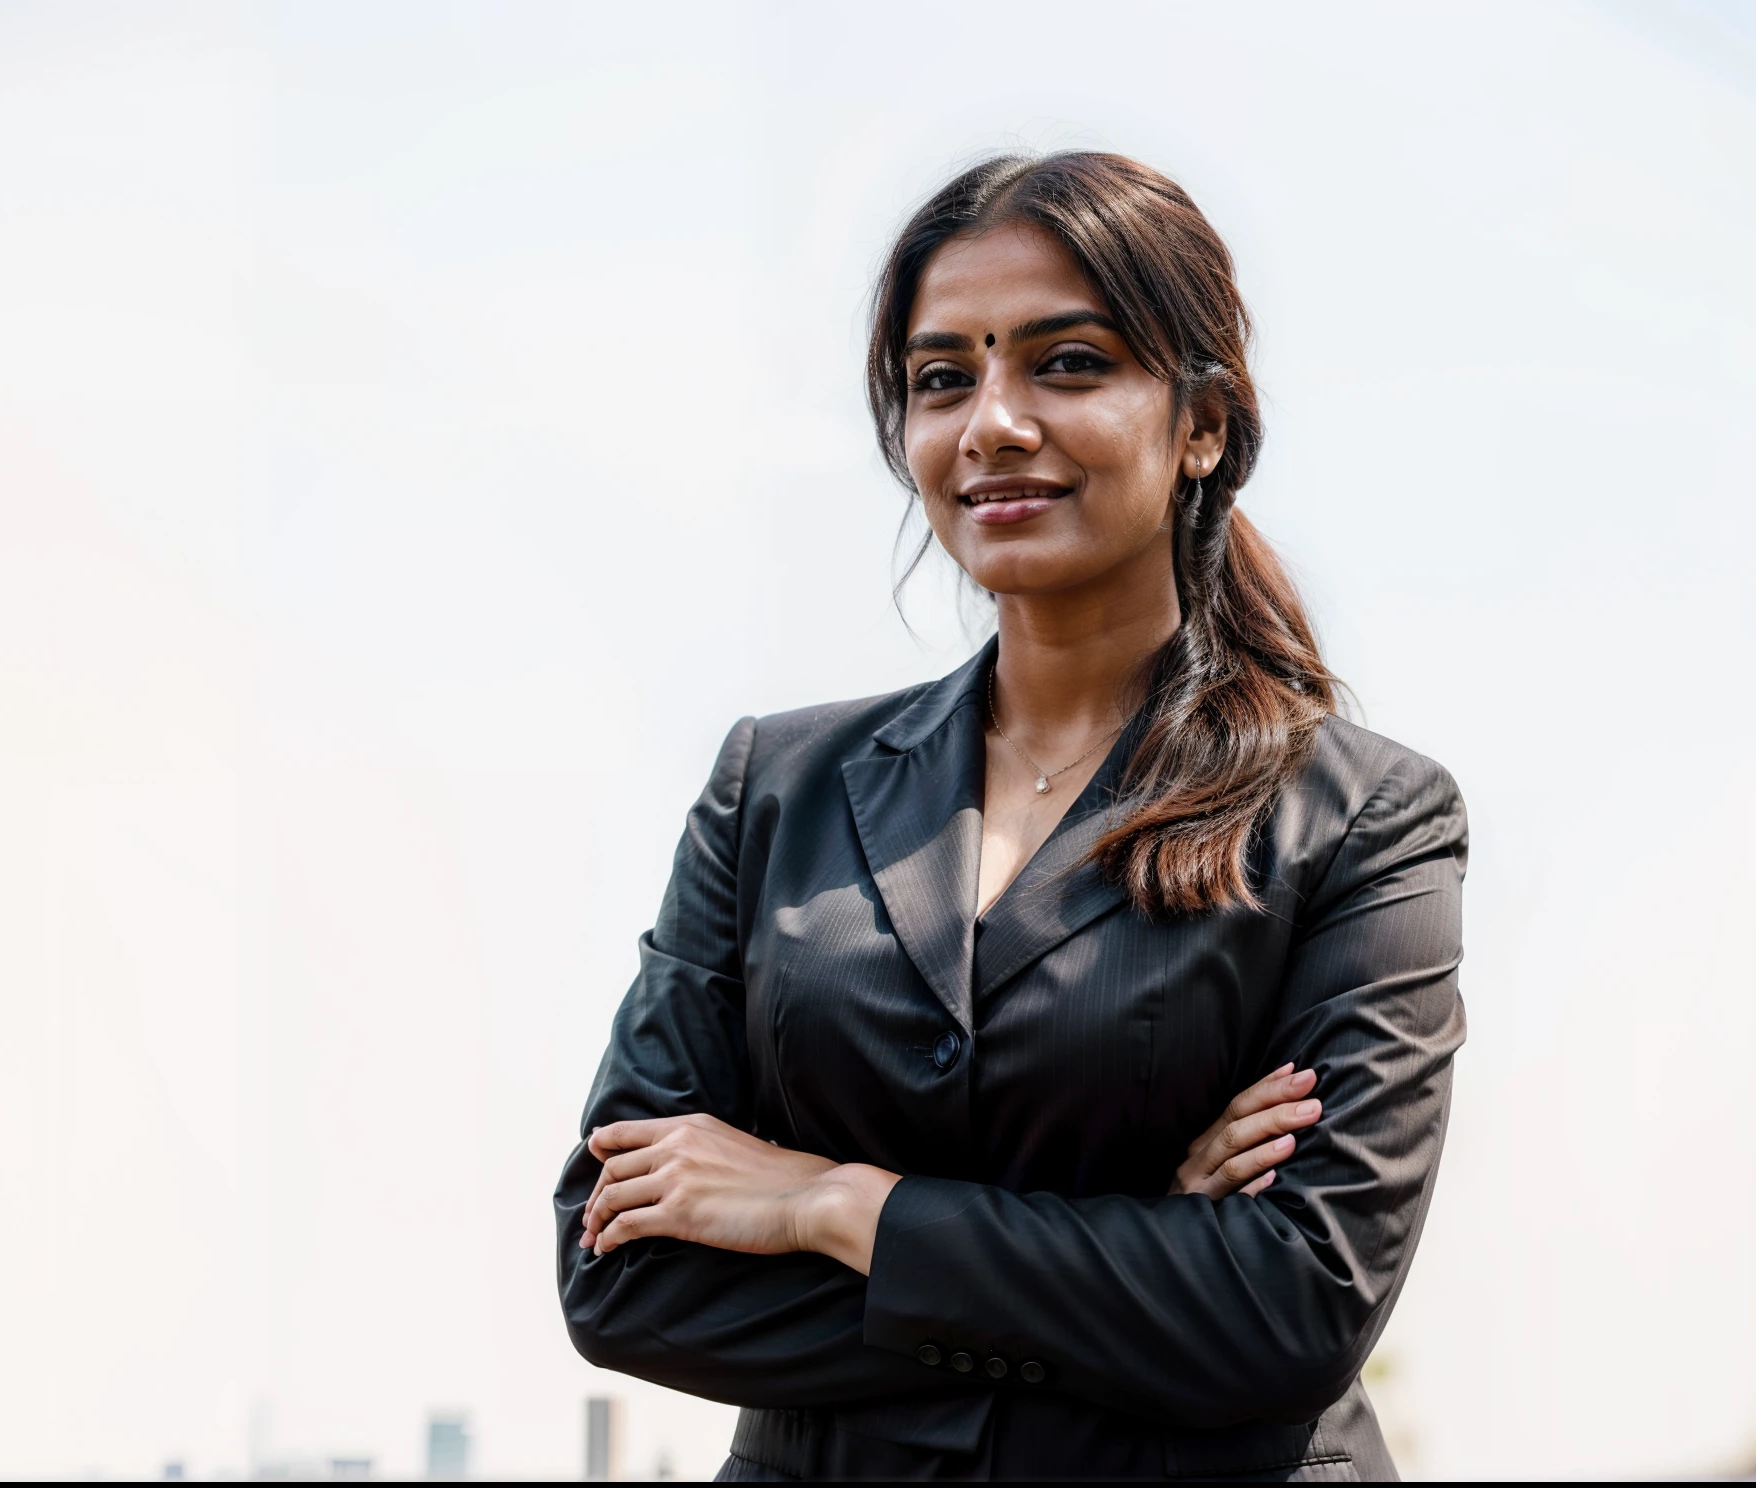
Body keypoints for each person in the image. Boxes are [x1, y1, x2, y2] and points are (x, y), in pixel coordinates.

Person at [553, 151, 1466, 1482]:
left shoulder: (1364, 819)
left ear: (1203, 423)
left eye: (1069, 364)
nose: (991, 423)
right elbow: (620, 1275)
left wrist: (835, 1205)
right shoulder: (774, 788)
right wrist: (1136, 1242)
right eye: (942, 379)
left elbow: (1290, 1310)